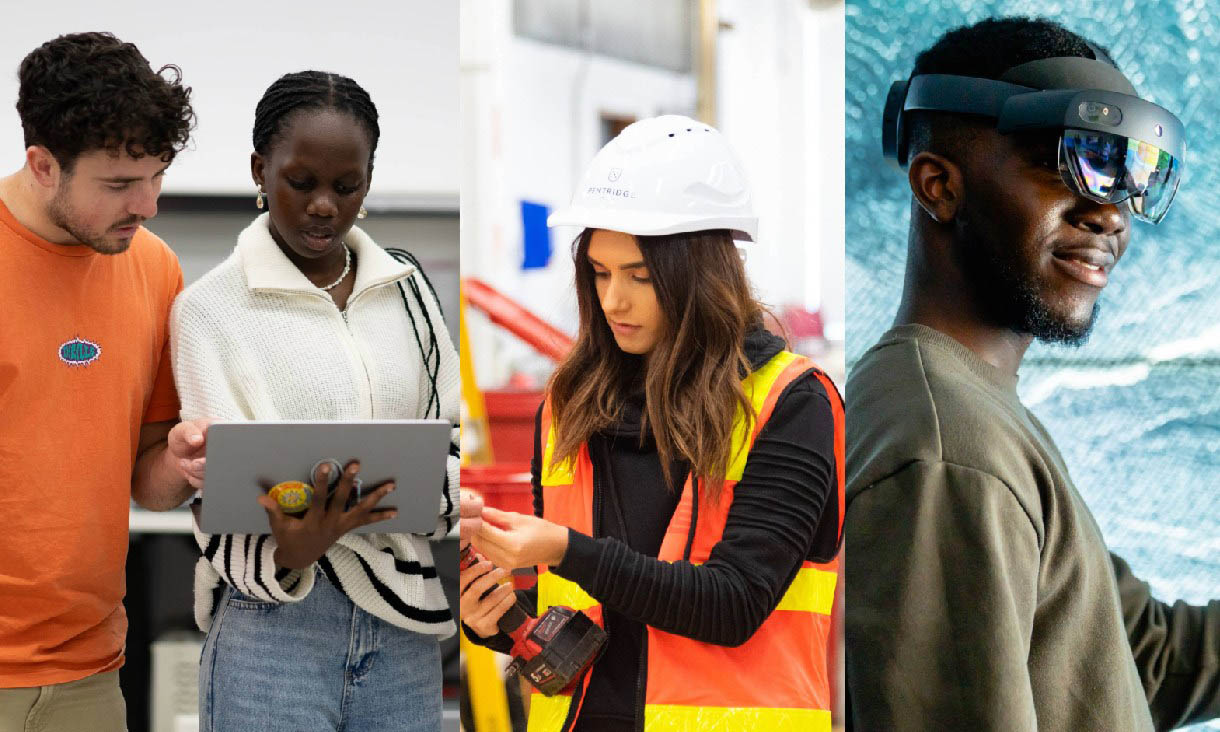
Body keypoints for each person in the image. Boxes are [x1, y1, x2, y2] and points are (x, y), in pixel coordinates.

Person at [846, 17, 1220, 731]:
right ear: (938, 185)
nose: (1112, 213)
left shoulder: (976, 412)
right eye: (1074, 162)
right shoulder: (949, 449)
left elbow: (1144, 657)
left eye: (1130, 177)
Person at [461, 115, 844, 732]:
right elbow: (582, 615)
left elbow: (734, 603)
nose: (613, 300)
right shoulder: (569, 404)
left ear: (701, 273)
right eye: (600, 272)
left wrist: (562, 549)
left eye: (639, 276)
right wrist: (497, 618)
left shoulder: (790, 403)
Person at [169, 71, 459, 731]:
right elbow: (217, 489)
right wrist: (294, 550)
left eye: (346, 185)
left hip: (403, 625)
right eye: (302, 183)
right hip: (272, 631)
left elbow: (450, 442)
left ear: (368, 180)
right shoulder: (209, 310)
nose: (324, 205)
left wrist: (428, 497)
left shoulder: (409, 291)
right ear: (259, 170)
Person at [0, 32, 207, 732]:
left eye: (157, 176)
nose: (146, 204)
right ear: (43, 165)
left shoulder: (155, 269)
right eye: (119, 184)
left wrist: (182, 461)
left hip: (88, 673)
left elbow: (148, 483)